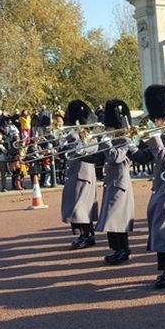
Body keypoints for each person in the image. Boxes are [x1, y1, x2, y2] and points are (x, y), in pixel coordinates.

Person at [129, 85, 165, 289]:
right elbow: (145, 156)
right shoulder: (163, 136)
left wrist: (154, 137)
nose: (158, 122)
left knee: (164, 229)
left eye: (161, 119)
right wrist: (130, 146)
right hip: (161, 187)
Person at [96, 99, 136, 265]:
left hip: (120, 183)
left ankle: (123, 249)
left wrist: (106, 142)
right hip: (111, 182)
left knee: (117, 219)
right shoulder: (112, 140)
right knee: (111, 219)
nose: (107, 129)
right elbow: (98, 158)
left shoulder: (125, 140)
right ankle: (116, 249)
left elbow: (115, 157)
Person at [60, 100, 99, 249]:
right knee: (75, 206)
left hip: (84, 174)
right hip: (75, 173)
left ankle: (88, 235)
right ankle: (83, 234)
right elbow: (66, 153)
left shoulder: (88, 135)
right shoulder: (73, 134)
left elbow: (92, 149)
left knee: (82, 208)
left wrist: (78, 144)